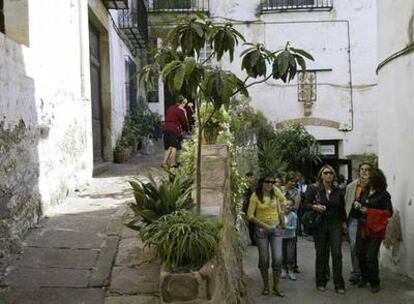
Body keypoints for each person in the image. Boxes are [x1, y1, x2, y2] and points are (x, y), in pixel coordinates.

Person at [304, 165, 347, 294]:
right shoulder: (314, 189)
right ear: (321, 175)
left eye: (331, 173)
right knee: (321, 253)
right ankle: (321, 281)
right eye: (326, 173)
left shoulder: (338, 191)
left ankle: (339, 284)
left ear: (333, 176)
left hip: (335, 224)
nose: (328, 175)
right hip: (320, 224)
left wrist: (344, 223)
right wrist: (315, 207)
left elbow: (342, 208)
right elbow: (305, 205)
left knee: (337, 254)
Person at [247, 176, 287, 296]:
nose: (270, 184)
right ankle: (266, 286)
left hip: (276, 229)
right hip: (261, 231)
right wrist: (264, 225)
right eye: (267, 182)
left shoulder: (275, 191)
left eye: (272, 182)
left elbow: (284, 201)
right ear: (261, 183)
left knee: (278, 258)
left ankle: (276, 286)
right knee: (264, 259)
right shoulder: (255, 196)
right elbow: (250, 215)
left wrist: (282, 212)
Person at [355, 168, 393, 293]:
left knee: (371, 256)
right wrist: (357, 205)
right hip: (363, 227)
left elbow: (388, 212)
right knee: (360, 253)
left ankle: (374, 282)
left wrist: (369, 211)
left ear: (375, 179)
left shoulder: (383, 194)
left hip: (376, 230)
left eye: (368, 177)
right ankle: (365, 277)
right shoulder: (364, 191)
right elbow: (360, 205)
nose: (365, 178)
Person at [344, 162, 371, 285]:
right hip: (354, 219)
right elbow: (346, 202)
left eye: (367, 169)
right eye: (362, 169)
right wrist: (344, 221)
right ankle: (356, 272)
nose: (364, 171)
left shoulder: (374, 186)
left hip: (369, 220)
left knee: (368, 247)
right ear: (359, 171)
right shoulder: (351, 186)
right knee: (354, 245)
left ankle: (368, 273)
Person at [161, 96, 189, 169]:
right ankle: (173, 163)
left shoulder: (170, 108)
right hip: (173, 129)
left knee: (169, 147)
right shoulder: (180, 110)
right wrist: (186, 130)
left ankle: (164, 163)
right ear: (181, 103)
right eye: (184, 104)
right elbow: (184, 122)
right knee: (174, 146)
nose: (184, 106)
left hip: (166, 128)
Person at [282, 172, 301, 274]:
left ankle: (293, 265)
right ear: (286, 181)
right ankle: (283, 265)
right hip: (281, 218)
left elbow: (297, 206)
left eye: (294, 181)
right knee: (281, 242)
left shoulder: (297, 191)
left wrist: (288, 209)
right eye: (291, 181)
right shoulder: (281, 190)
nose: (293, 183)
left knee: (292, 242)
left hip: (293, 218)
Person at [281, 199, 298, 281]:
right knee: (283, 255)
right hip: (281, 238)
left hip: (291, 238)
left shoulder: (293, 215)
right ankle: (283, 269)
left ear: (292, 207)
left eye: (290, 205)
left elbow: (294, 227)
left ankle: (291, 270)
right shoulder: (280, 215)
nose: (288, 206)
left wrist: (285, 227)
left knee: (290, 255)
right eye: (286, 204)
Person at [242, 172, 257, 246]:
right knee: (251, 225)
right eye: (252, 177)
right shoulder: (246, 187)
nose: (254, 179)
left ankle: (254, 240)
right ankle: (253, 240)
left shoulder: (252, 186)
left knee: (253, 225)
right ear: (248, 178)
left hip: (252, 208)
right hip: (248, 208)